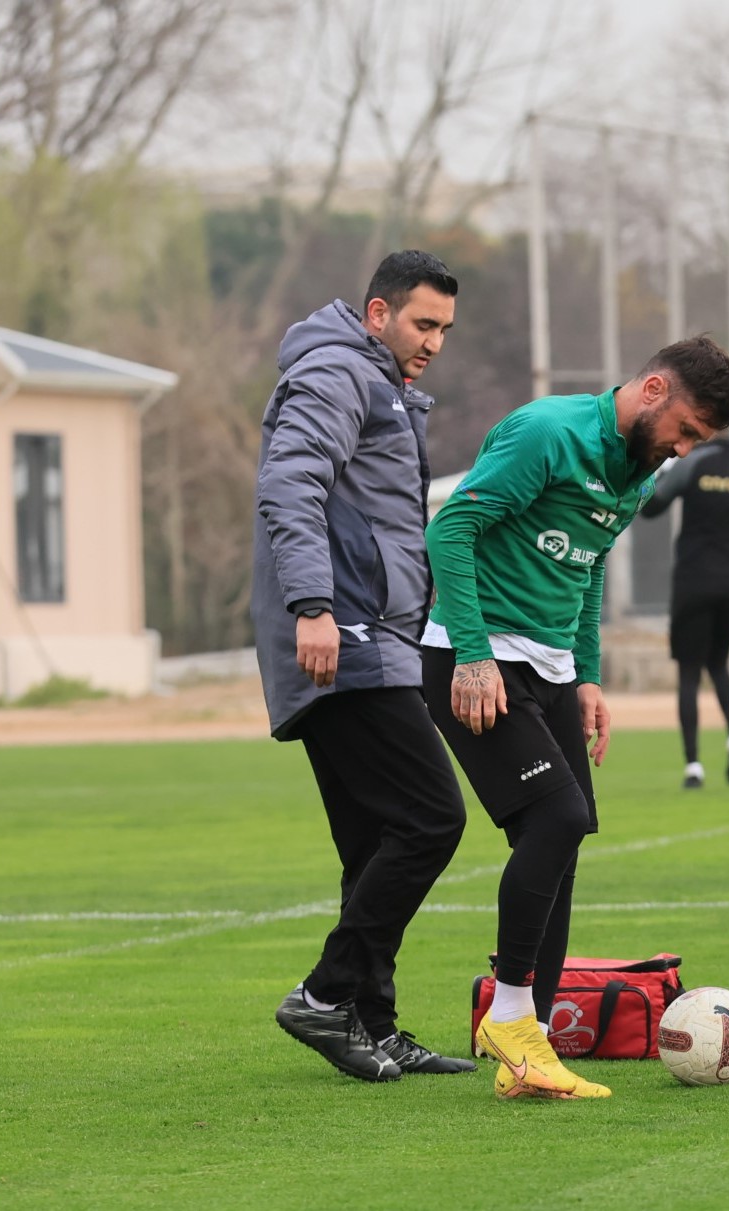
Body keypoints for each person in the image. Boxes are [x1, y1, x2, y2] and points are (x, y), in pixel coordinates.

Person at [423, 335, 729, 1100]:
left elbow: (588, 565)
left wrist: (588, 677)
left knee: (565, 841)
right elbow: (450, 529)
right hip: (477, 658)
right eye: (688, 430)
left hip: (550, 670)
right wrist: (473, 653)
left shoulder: (636, 471)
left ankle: (526, 1050)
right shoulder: (549, 433)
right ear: (655, 389)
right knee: (559, 817)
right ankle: (509, 1016)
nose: (683, 450)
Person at [253, 250, 474, 1081]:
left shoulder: (379, 384)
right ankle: (325, 993)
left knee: (375, 840)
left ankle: (370, 1026)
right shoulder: (338, 373)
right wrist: (313, 607)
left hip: (369, 634)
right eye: (424, 324)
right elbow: (290, 481)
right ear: (378, 313)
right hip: (341, 637)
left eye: (446, 329)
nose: (435, 343)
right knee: (430, 818)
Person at [640, 433, 729, 788]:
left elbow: (652, 507)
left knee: (689, 673)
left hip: (693, 582)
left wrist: (661, 468)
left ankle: (693, 767)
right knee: (719, 663)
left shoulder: (692, 464)